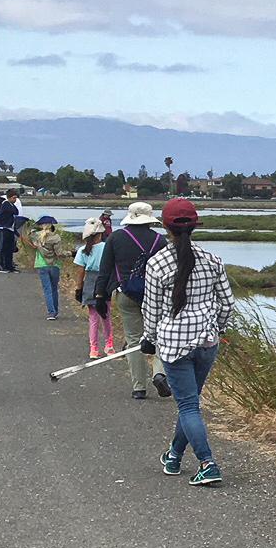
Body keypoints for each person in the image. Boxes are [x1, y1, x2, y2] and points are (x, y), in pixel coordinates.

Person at [140, 198, 233, 486]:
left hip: (174, 347)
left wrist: (149, 339)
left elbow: (152, 310)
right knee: (189, 403)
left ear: (165, 228)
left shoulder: (156, 264)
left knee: (189, 406)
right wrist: (217, 328)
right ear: (194, 227)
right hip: (207, 343)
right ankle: (173, 456)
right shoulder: (212, 260)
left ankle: (208, 464)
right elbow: (227, 303)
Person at [95, 202, 169, 400]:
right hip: (155, 295)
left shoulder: (116, 237)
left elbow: (105, 269)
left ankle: (139, 387)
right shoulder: (160, 240)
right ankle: (159, 373)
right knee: (160, 337)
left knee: (134, 339)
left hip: (125, 293)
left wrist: (100, 295)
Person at [74, 220, 112, 358]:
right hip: (105, 281)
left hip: (90, 282)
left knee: (93, 318)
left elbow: (80, 272)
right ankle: (109, 345)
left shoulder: (83, 250)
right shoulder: (107, 247)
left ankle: (94, 348)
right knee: (106, 315)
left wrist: (79, 289)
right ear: (100, 234)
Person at [29, 215, 72, 320]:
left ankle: (51, 313)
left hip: (41, 264)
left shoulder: (37, 236)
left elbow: (30, 232)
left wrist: (36, 227)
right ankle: (55, 311)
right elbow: (59, 253)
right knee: (54, 289)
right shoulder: (56, 238)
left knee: (47, 289)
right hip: (54, 265)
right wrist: (70, 253)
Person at [0, 189, 24, 272]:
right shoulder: (5, 204)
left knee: (9, 249)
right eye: (13, 198)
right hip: (4, 229)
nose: (15, 200)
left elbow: (16, 212)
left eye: (16, 198)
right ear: (9, 197)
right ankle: (1, 266)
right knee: (2, 248)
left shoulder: (11, 205)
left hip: (10, 229)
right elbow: (8, 213)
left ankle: (9, 266)